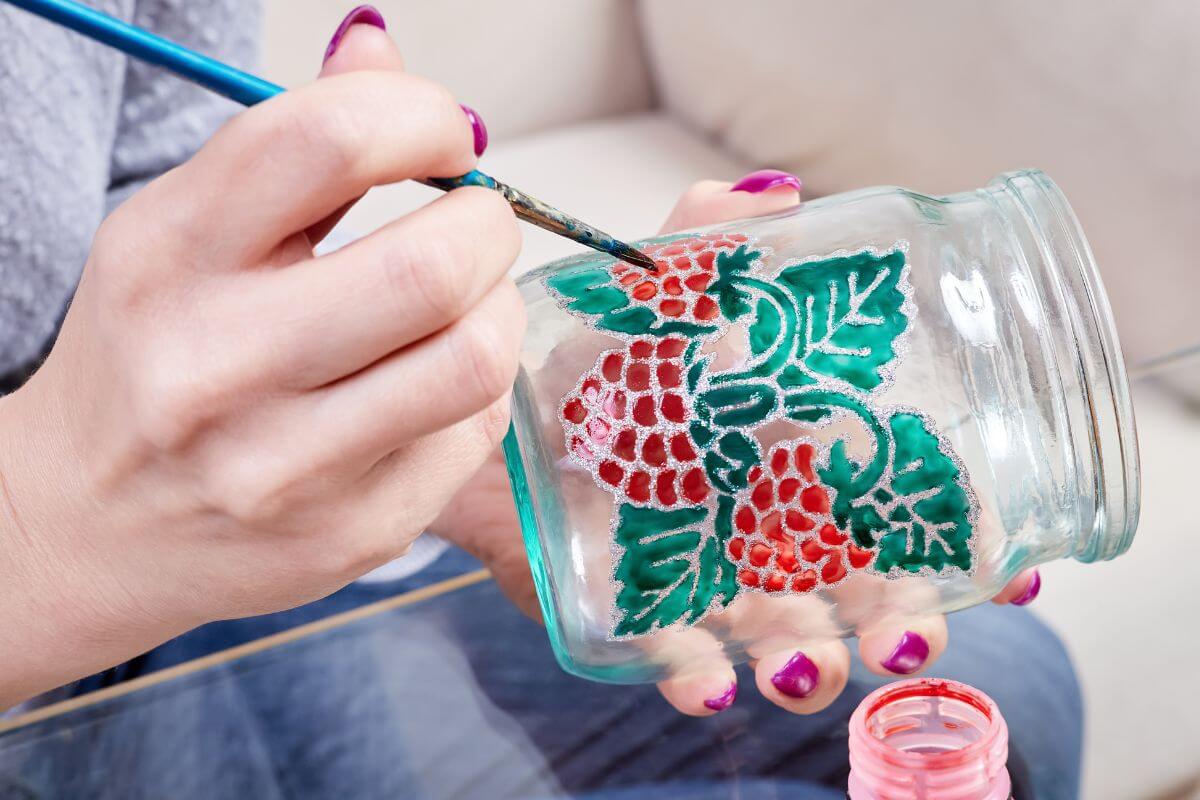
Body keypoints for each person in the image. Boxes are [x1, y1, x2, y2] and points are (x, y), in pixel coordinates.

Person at [0, 3, 1080, 797]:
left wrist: (381, 432)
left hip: (190, 533)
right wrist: (37, 531)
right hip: (44, 620)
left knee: (1005, 681)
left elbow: (144, 188)